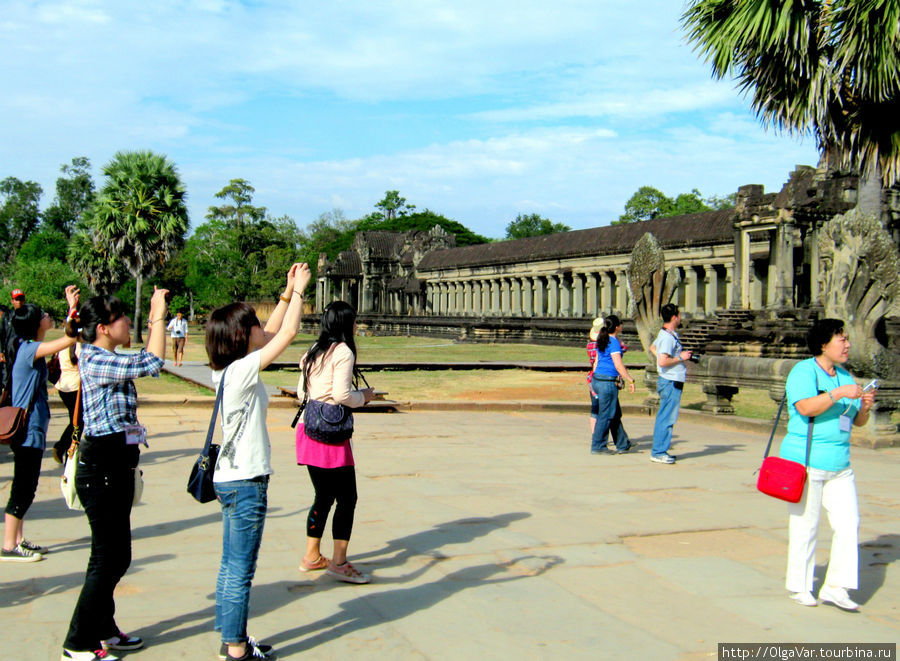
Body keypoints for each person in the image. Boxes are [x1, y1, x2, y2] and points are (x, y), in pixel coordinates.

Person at [206, 263, 311, 661]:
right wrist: (301, 291)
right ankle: (236, 648)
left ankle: (231, 635)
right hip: (246, 481)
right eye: (252, 325)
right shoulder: (243, 371)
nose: (259, 329)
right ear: (239, 336)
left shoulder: (227, 370)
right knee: (241, 569)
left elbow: (269, 332)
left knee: (230, 563)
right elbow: (285, 335)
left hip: (230, 478)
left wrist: (286, 293)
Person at [61, 288, 169, 661]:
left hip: (117, 465)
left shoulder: (102, 353)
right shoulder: (95, 360)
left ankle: (104, 627)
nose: (128, 323)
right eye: (122, 318)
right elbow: (153, 361)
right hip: (101, 468)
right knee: (106, 558)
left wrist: (73, 311)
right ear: (105, 328)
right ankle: (77, 642)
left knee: (117, 556)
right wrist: (157, 312)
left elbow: (143, 360)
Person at [780, 318, 875, 611]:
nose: (847, 345)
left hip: (839, 464)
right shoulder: (803, 371)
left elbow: (856, 421)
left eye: (847, 339)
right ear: (823, 344)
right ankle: (800, 586)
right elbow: (805, 407)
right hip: (805, 462)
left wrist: (866, 407)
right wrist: (837, 394)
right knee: (805, 526)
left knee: (849, 525)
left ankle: (837, 586)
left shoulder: (845, 376)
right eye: (841, 339)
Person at [296, 300, 375, 584]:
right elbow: (342, 395)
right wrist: (364, 397)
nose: (356, 326)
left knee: (323, 495)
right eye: (353, 321)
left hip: (308, 428)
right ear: (344, 324)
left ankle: (312, 555)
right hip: (330, 434)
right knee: (347, 498)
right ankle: (339, 562)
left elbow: (300, 393)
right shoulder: (342, 351)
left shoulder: (312, 352)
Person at [1, 286, 80, 563]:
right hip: (27, 430)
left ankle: (19, 539)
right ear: (36, 324)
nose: (48, 317)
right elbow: (69, 339)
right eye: (44, 315)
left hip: (31, 428)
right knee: (24, 486)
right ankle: (9, 546)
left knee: (25, 484)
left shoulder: (28, 347)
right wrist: (71, 306)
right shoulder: (29, 349)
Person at [650, 303, 692, 464]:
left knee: (666, 416)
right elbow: (662, 361)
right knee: (667, 417)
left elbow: (653, 348)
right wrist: (681, 358)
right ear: (674, 317)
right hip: (670, 381)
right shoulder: (667, 337)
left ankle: (660, 450)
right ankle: (659, 451)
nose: (681, 318)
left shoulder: (666, 334)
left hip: (670, 379)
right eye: (679, 315)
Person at [589, 315, 636, 454]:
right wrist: (630, 379)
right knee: (606, 414)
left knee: (614, 413)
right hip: (607, 382)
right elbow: (618, 364)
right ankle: (598, 445)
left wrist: (593, 379)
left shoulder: (603, 339)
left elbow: (596, 361)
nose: (622, 325)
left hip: (598, 378)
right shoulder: (613, 342)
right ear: (617, 327)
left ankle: (622, 443)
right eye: (621, 323)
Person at [52, 343, 82, 464]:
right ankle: (64, 448)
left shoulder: (63, 345)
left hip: (63, 385)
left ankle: (65, 449)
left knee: (75, 421)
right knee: (77, 423)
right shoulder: (79, 346)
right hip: (75, 387)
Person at [0, 289, 27, 403]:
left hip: (24, 352)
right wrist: (1, 351)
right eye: (16, 299)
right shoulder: (7, 316)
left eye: (21, 299)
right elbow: (1, 335)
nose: (19, 302)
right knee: (8, 379)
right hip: (9, 353)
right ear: (12, 301)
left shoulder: (28, 315)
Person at [586, 317, 602, 437]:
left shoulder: (590, 346)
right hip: (602, 377)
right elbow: (623, 348)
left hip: (591, 378)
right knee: (604, 409)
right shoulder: (603, 347)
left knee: (595, 408)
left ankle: (594, 433)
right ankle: (601, 434)